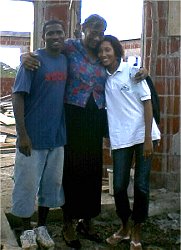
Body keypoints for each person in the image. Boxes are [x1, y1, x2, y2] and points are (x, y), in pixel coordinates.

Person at [21, 14, 148, 249]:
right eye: (93, 30)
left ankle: (87, 221)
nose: (97, 36)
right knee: (71, 169)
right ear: (83, 28)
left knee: (92, 169)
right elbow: (46, 51)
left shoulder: (102, 53)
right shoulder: (70, 46)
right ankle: (68, 222)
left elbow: (123, 67)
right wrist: (24, 56)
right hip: (72, 115)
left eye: (101, 32)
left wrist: (142, 71)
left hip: (96, 116)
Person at [97, 35, 161, 250]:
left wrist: (147, 140)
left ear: (116, 51)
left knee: (141, 186)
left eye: (107, 50)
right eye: (100, 51)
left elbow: (147, 103)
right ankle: (124, 226)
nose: (104, 54)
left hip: (144, 137)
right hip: (121, 139)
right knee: (119, 186)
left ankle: (137, 229)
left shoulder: (133, 72)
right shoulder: (101, 77)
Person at [11, 19, 67, 250]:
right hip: (32, 138)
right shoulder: (32, 62)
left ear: (64, 35)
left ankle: (41, 226)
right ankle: (25, 229)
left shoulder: (65, 59)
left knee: (51, 185)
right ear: (43, 37)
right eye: (51, 33)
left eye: (59, 32)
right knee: (26, 185)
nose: (56, 36)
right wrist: (22, 134)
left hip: (57, 137)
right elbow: (17, 96)